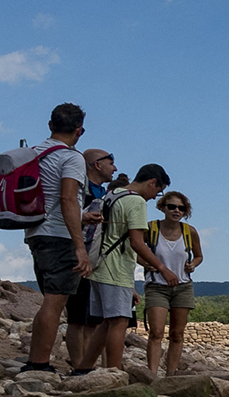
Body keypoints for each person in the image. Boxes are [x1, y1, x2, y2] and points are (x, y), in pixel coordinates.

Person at [73, 164, 179, 373]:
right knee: (119, 322)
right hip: (116, 268)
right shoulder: (136, 201)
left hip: (99, 263)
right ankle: (114, 371)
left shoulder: (113, 194)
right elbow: (137, 241)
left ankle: (84, 367)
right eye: (158, 191)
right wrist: (162, 268)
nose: (154, 197)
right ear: (152, 182)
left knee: (106, 322)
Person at [22, 104, 93, 375]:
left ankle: (36, 360)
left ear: (50, 125)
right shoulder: (72, 158)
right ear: (79, 130)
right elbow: (66, 199)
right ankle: (39, 364)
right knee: (55, 301)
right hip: (59, 235)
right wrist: (80, 247)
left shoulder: (32, 154)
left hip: (36, 232)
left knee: (50, 298)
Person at [64, 146, 119, 370]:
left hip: (96, 260)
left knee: (93, 318)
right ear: (97, 164)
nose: (114, 168)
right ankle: (79, 366)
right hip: (76, 256)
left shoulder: (104, 193)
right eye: (110, 162)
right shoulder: (78, 190)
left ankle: (88, 365)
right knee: (77, 316)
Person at [143, 190, 203, 376]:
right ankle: (152, 375)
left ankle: (171, 374)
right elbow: (132, 247)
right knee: (156, 332)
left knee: (177, 334)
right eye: (172, 207)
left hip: (183, 286)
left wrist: (193, 264)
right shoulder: (151, 228)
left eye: (181, 208)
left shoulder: (189, 231)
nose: (176, 211)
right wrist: (145, 263)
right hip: (157, 286)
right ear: (163, 207)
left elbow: (199, 256)